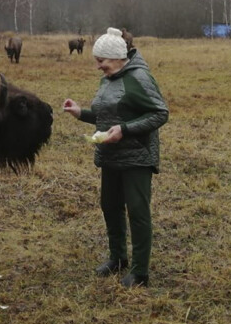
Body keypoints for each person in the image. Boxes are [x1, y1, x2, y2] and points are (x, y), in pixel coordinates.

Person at [63, 27, 169, 287]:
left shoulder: (139, 78)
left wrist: (125, 129)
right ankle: (118, 258)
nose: (98, 66)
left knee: (138, 211)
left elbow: (160, 113)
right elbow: (105, 115)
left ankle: (140, 272)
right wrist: (80, 112)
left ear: (117, 58)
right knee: (110, 206)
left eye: (101, 61)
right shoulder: (108, 79)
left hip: (137, 156)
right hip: (111, 154)